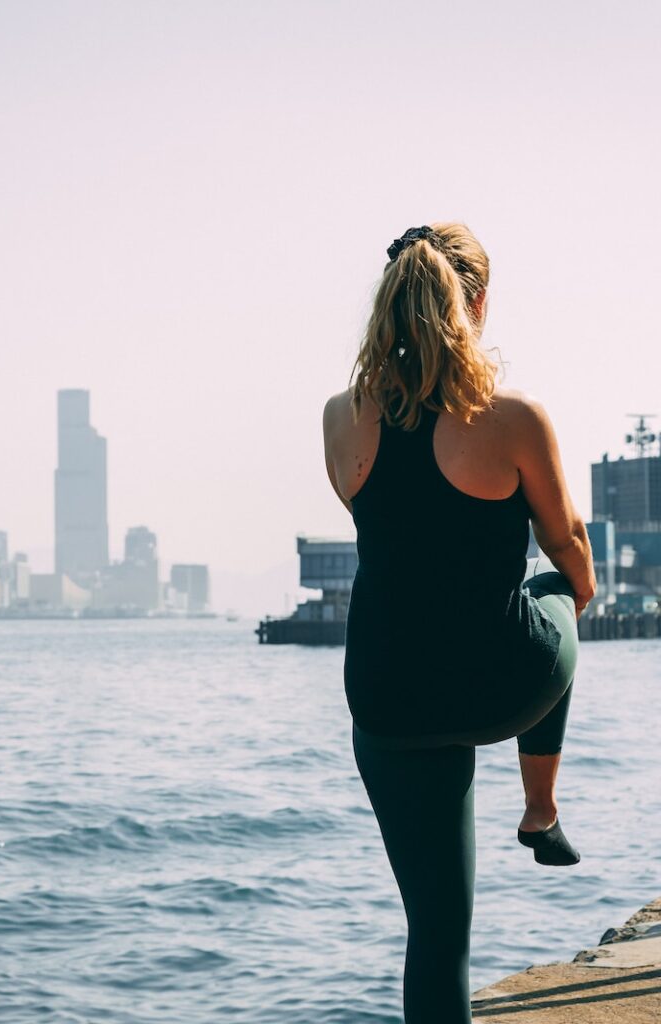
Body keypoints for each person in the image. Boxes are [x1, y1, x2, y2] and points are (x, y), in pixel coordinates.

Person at [321, 222, 597, 1023]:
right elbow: (567, 543)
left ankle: (539, 810)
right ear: (475, 302)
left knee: (437, 934)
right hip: (500, 688)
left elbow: (387, 527)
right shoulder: (510, 418)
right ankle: (540, 805)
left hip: (387, 700)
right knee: (555, 589)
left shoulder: (342, 417)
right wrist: (577, 593)